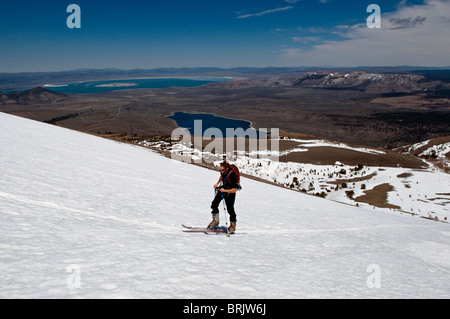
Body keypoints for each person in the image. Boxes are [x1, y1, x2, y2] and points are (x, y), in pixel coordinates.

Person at [208, 161, 238, 233]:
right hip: (223, 189)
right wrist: (217, 183)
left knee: (230, 209)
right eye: (220, 170)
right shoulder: (223, 172)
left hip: (230, 192)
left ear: (227, 169)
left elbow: (235, 190)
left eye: (223, 170)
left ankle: (233, 226)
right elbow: (222, 176)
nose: (221, 171)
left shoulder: (232, 175)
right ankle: (215, 221)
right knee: (214, 204)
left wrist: (225, 190)